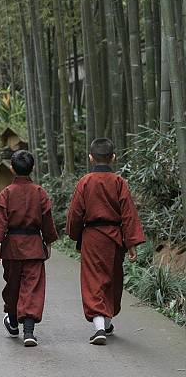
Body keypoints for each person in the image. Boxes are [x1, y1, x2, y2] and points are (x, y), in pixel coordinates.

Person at [66, 138, 146, 345]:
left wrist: (74, 234)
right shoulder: (119, 182)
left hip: (92, 237)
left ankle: (101, 327)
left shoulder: (85, 182)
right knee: (112, 279)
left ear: (91, 157)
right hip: (114, 237)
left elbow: (76, 212)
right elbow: (128, 214)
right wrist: (131, 243)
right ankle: (106, 323)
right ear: (113, 158)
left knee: (93, 279)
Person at [0, 150, 58, 347]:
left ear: (11, 168)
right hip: (34, 246)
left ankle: (12, 320)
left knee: (13, 286)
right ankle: (28, 332)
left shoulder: (7, 193)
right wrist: (48, 242)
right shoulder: (39, 192)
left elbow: (0, 220)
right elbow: (47, 220)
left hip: (12, 248)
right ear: (32, 168)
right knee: (32, 288)